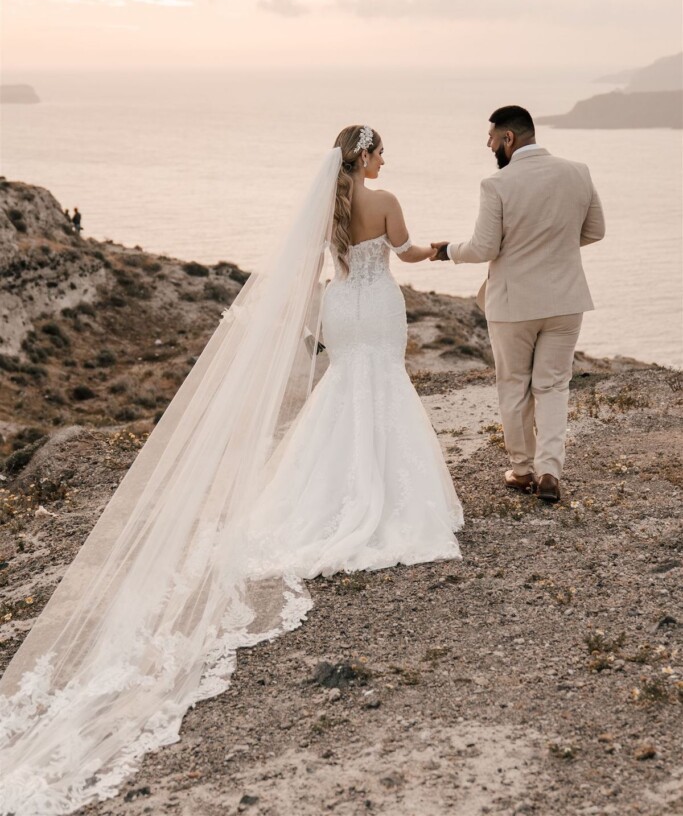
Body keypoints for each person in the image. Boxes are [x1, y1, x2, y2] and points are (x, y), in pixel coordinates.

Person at [0, 126, 462, 816]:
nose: (386, 159)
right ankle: (381, 501)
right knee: (384, 386)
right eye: (380, 150)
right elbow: (406, 252)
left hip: (343, 307)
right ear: (365, 157)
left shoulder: (329, 208)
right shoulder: (385, 198)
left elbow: (305, 275)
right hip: (379, 306)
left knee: (343, 388)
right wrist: (447, 250)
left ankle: (328, 494)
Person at [432, 105, 605, 504]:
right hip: (566, 300)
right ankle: (550, 472)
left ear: (509, 138)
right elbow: (595, 230)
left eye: (492, 137)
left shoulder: (497, 184)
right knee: (554, 386)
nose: (488, 144)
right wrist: (552, 247)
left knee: (514, 386)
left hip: (513, 304)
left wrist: (447, 251)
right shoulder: (578, 171)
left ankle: (523, 470)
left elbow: (484, 248)